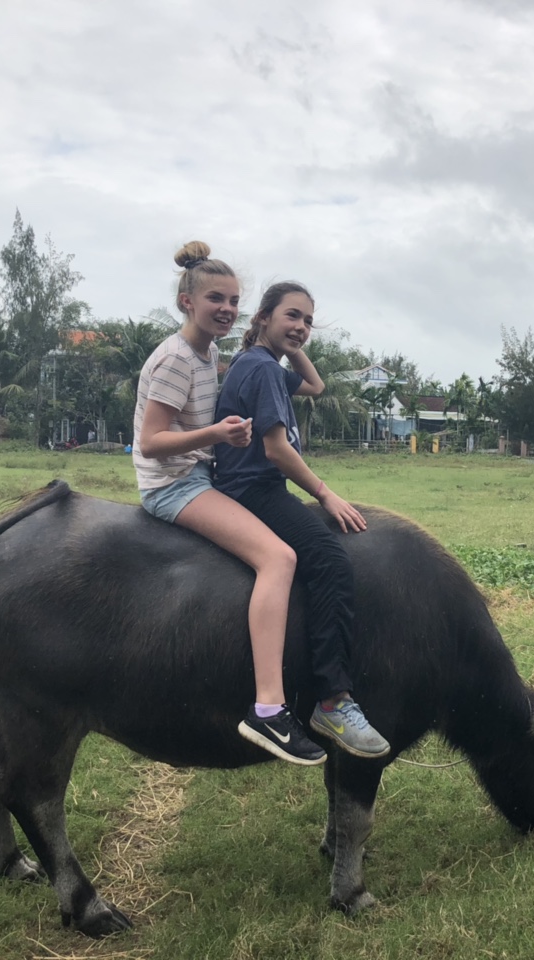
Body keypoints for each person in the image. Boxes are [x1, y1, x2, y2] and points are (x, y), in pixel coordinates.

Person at [133, 241, 324, 766]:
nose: (227, 309)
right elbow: (150, 442)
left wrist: (288, 335)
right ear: (185, 303)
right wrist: (217, 434)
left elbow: (314, 385)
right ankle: (268, 708)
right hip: (174, 485)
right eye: (216, 298)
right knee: (279, 558)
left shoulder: (210, 352)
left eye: (235, 300)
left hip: (199, 475)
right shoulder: (175, 357)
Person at [213, 281, 390, 759]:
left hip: (253, 484)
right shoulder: (260, 369)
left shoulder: (262, 366)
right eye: (292, 316)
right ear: (263, 316)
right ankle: (332, 700)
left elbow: (315, 386)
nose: (302, 327)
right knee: (329, 560)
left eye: (309, 321)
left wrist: (289, 345)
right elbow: (275, 449)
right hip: (254, 490)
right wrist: (325, 493)